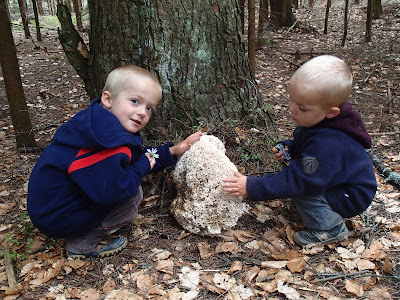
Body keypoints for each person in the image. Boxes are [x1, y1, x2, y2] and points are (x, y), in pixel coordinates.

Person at [27, 65, 202, 258]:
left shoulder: (98, 126)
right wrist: (140, 168)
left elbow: (136, 155)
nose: (143, 112)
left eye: (149, 108)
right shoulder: (104, 144)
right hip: (57, 216)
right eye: (135, 101)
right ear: (108, 99)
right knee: (132, 195)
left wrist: (171, 151)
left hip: (51, 208)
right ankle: (83, 242)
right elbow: (113, 191)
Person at [222, 55, 377, 247]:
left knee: (302, 187)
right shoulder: (325, 122)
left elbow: (300, 180)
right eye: (291, 101)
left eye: (302, 108)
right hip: (339, 181)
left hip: (351, 194)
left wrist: (252, 187)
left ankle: (330, 228)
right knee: (300, 178)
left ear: (331, 112)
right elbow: (309, 143)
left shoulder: (331, 142)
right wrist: (291, 147)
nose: (292, 110)